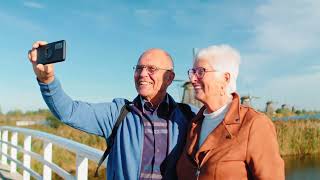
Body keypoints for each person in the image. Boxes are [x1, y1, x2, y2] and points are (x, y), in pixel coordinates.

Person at [28, 41, 196, 180]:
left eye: (151, 69)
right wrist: (47, 80)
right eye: (139, 68)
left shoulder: (189, 117)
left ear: (170, 78)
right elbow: (69, 111)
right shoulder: (118, 114)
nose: (142, 74)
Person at [176, 45, 285, 180]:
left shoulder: (254, 124)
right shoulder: (193, 124)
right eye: (192, 72)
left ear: (225, 78)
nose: (193, 79)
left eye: (200, 72)